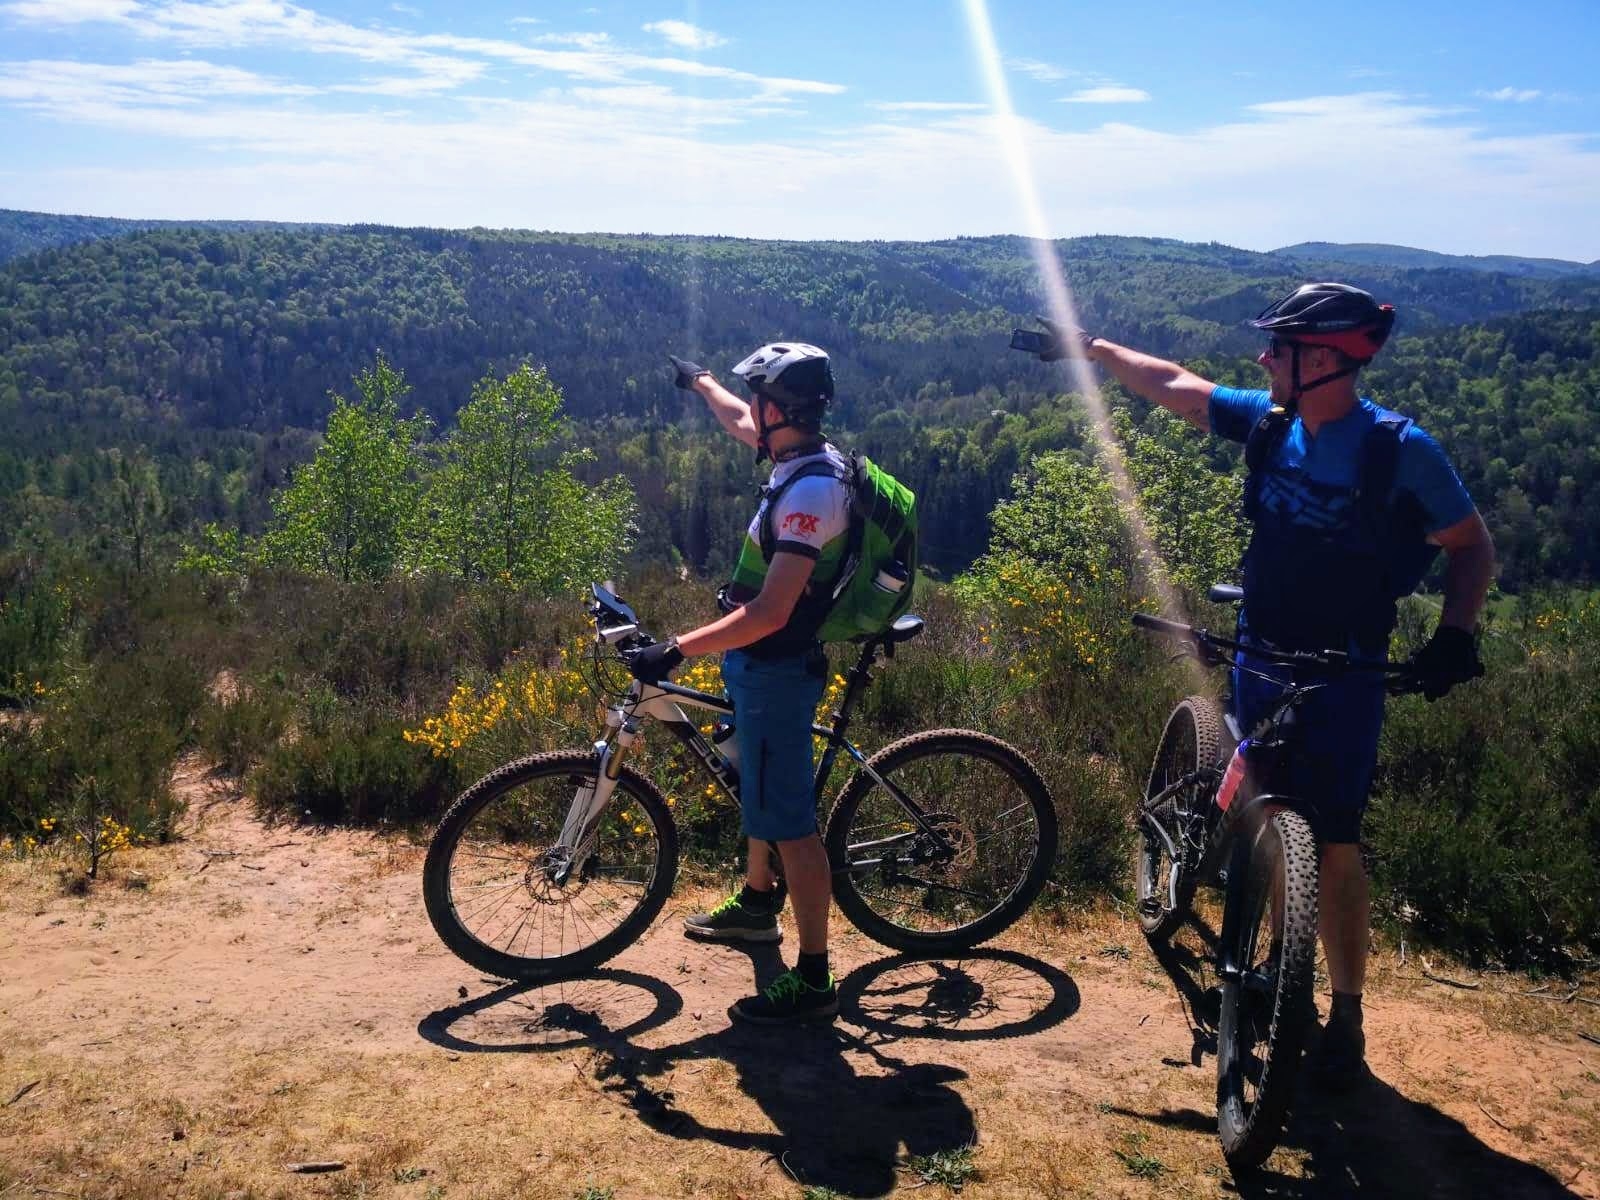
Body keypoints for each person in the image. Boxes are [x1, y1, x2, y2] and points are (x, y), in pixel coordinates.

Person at [1031, 283, 1495, 1086]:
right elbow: (1177, 385)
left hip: (1345, 668)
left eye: (1276, 349)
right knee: (1262, 809)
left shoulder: (1398, 450)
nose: (1262, 359)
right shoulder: (1273, 421)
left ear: (1322, 360)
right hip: (1261, 649)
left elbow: (1470, 545)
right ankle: (1280, 980)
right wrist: (1096, 351)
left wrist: (1456, 634)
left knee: (1336, 843)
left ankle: (1342, 1011)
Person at [622, 342, 853, 1025]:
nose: (750, 410)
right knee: (752, 777)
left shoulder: (812, 491)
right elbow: (734, 418)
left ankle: (815, 979)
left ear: (780, 408)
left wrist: (677, 650)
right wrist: (700, 382)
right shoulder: (794, 451)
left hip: (779, 667)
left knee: (791, 824)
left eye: (759, 398)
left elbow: (772, 611)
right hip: (757, 664)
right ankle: (757, 905)